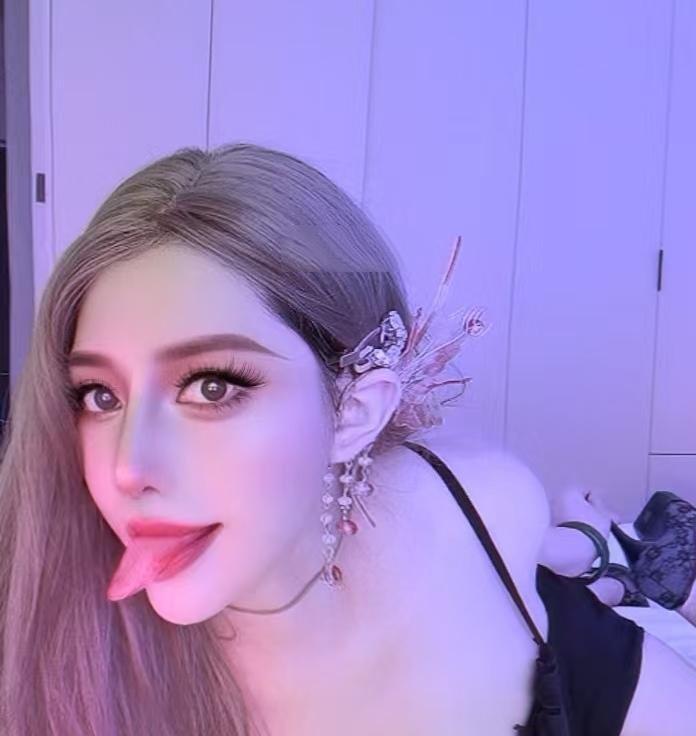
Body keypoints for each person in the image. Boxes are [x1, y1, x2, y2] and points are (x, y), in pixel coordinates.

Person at [1, 142, 695, 735]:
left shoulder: (481, 500)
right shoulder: (46, 619)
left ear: (354, 411)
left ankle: (601, 543)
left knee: (534, 535)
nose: (127, 469)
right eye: (100, 395)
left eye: (211, 386)